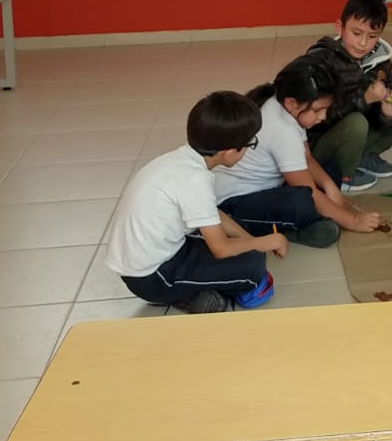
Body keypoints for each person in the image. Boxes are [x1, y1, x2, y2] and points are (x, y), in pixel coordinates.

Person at [104, 90, 287, 314]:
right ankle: (188, 297)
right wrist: (265, 242)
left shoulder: (180, 160)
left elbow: (212, 213)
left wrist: (250, 240)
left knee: (241, 238)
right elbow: (221, 249)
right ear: (230, 152)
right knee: (252, 267)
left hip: (152, 260)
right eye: (251, 144)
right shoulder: (195, 180)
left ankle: (201, 289)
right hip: (153, 277)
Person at [217, 53, 383, 245]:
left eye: (326, 109)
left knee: (330, 169)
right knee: (302, 202)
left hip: (270, 186)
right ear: (292, 103)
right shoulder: (283, 129)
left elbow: (306, 156)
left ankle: (311, 221)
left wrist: (330, 187)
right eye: (318, 110)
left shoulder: (284, 103)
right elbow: (307, 190)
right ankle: (283, 230)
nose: (323, 116)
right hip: (234, 204)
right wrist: (353, 221)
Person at [306, 0, 392, 193]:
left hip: (357, 131)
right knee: (357, 122)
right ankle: (343, 173)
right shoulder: (322, 60)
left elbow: (382, 106)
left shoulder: (381, 60)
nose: (363, 43)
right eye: (356, 33)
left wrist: (387, 114)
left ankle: (364, 157)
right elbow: (317, 117)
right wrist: (364, 99)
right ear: (340, 27)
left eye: (372, 36)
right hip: (322, 142)